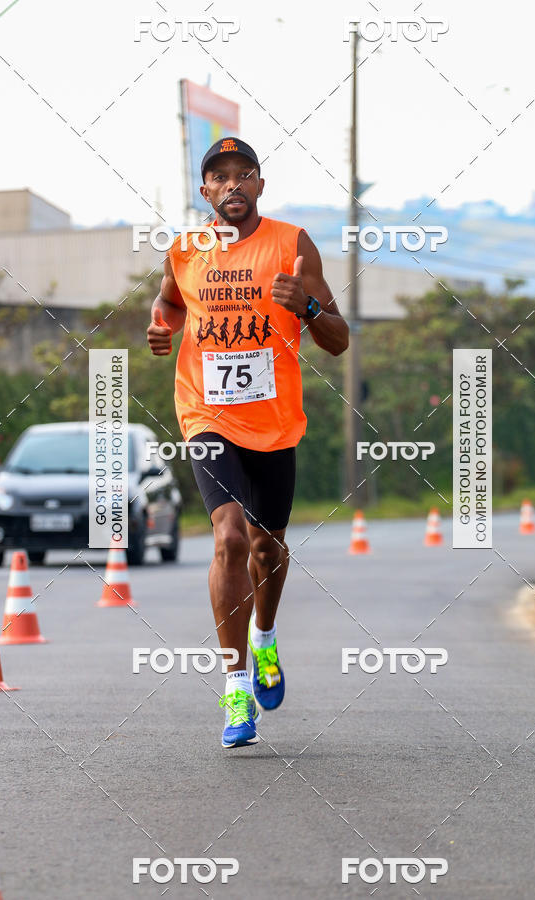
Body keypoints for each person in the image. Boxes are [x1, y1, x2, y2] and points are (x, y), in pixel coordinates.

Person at [147, 137, 348, 748]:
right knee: (230, 536)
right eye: (219, 177)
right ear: (204, 191)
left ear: (260, 185)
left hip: (274, 420)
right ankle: (235, 689)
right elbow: (167, 301)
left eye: (244, 175)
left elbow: (337, 340)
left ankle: (264, 636)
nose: (232, 185)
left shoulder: (292, 245)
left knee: (268, 547)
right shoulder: (185, 249)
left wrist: (309, 305)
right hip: (205, 412)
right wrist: (162, 328)